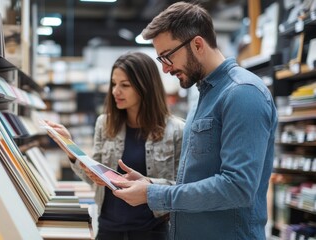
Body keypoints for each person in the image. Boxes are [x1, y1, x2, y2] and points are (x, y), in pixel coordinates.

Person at [110, 2, 278, 240]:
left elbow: (237, 187)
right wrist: (151, 184)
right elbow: (198, 179)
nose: (166, 69)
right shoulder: (204, 95)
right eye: (161, 60)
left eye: (167, 56)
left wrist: (154, 195)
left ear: (198, 44)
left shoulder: (242, 93)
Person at [46, 51, 184, 240]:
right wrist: (71, 150)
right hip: (108, 230)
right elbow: (95, 179)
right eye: (113, 84)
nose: (115, 91)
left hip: (152, 231)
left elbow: (183, 188)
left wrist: (148, 184)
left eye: (124, 85)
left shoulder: (176, 130)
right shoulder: (105, 123)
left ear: (145, 86)